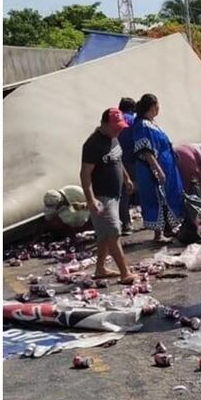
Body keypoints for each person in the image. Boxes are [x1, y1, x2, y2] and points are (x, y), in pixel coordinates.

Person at [80, 108, 136, 284]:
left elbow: (117, 159)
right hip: (101, 197)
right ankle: (125, 273)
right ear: (104, 124)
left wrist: (126, 178)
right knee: (113, 232)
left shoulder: (113, 138)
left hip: (115, 194)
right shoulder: (92, 144)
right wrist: (91, 199)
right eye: (115, 127)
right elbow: (85, 174)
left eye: (120, 127)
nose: (118, 130)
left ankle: (100, 269)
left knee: (104, 235)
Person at [129, 93, 185, 242]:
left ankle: (170, 228)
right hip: (152, 169)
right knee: (156, 200)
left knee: (168, 198)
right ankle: (158, 234)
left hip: (166, 166)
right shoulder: (142, 125)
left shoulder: (152, 123)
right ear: (153, 107)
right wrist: (157, 169)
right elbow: (146, 150)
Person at [117, 97, 138, 234]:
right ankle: (154, 222)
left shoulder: (115, 121)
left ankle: (125, 224)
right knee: (140, 189)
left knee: (122, 194)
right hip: (132, 160)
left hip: (117, 161)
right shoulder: (133, 120)